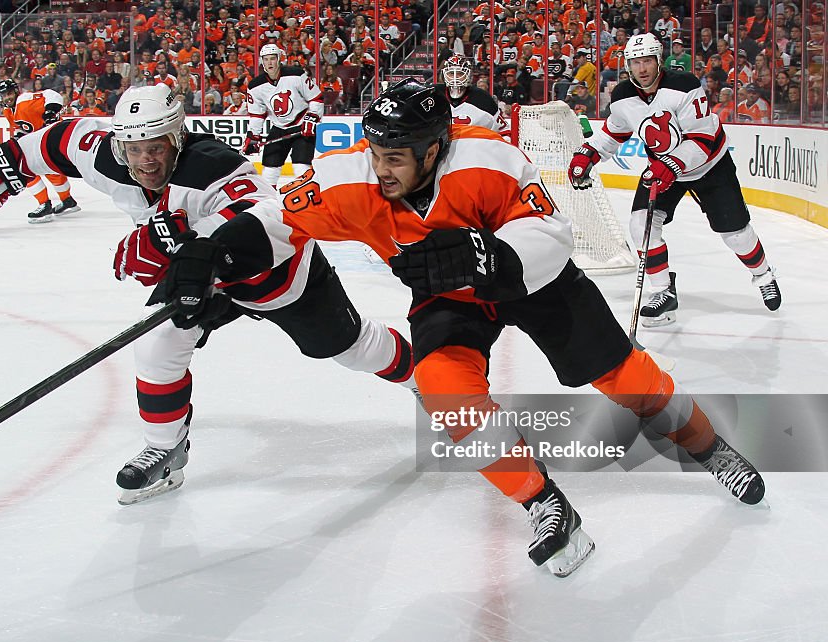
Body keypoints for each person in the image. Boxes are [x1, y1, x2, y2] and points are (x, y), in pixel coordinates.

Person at [153, 78, 766, 577]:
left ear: (434, 148)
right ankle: (543, 502)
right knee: (446, 392)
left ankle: (711, 449)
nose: (382, 168)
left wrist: (489, 257)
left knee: (622, 375)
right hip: (448, 299)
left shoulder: (489, 160)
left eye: (397, 156)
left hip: (531, 281)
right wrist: (212, 254)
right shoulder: (348, 180)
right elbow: (274, 222)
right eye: (376, 151)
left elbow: (551, 235)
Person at [0, 85, 418, 506]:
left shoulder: (213, 165)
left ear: (176, 140)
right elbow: (54, 141)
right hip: (190, 269)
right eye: (134, 149)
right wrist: (1, 165)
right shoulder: (104, 155)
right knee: (158, 344)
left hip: (271, 273)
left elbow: (269, 213)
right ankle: (164, 447)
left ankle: (432, 380)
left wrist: (200, 248)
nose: (145, 161)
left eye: (156, 148)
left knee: (350, 348)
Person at [568, 33, 781, 325]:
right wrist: (588, 154)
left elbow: (703, 139)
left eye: (647, 61)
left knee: (735, 233)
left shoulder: (684, 87)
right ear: (628, 66)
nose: (641, 68)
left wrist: (671, 164)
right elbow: (614, 132)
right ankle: (664, 293)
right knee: (641, 223)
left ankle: (763, 274)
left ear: (659, 61)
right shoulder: (622, 97)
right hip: (664, 169)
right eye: (635, 62)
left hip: (710, 166)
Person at [0, 78, 80, 223]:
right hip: (44, 140)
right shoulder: (7, 111)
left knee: (24, 169)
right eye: (4, 95)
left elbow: (52, 94)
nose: (7, 97)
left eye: (9, 93)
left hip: (53, 137)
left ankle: (44, 205)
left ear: (16, 91)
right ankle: (67, 200)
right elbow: (23, 128)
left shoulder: (24, 101)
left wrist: (50, 112)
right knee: (51, 171)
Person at [242, 44, 323, 186]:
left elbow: (316, 98)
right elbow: (257, 115)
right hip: (278, 127)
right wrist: (253, 137)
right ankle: (269, 203)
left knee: (301, 167)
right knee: (269, 170)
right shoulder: (255, 86)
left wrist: (312, 118)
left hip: (301, 126)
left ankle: (307, 200)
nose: (269, 63)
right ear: (262, 61)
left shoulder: (296, 75)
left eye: (272, 58)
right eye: (266, 59)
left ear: (279, 59)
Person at [435, 55, 506, 132]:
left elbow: (503, 130)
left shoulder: (483, 98)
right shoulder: (434, 94)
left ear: (468, 75)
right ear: (445, 74)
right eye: (451, 73)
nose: (455, 77)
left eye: (460, 73)